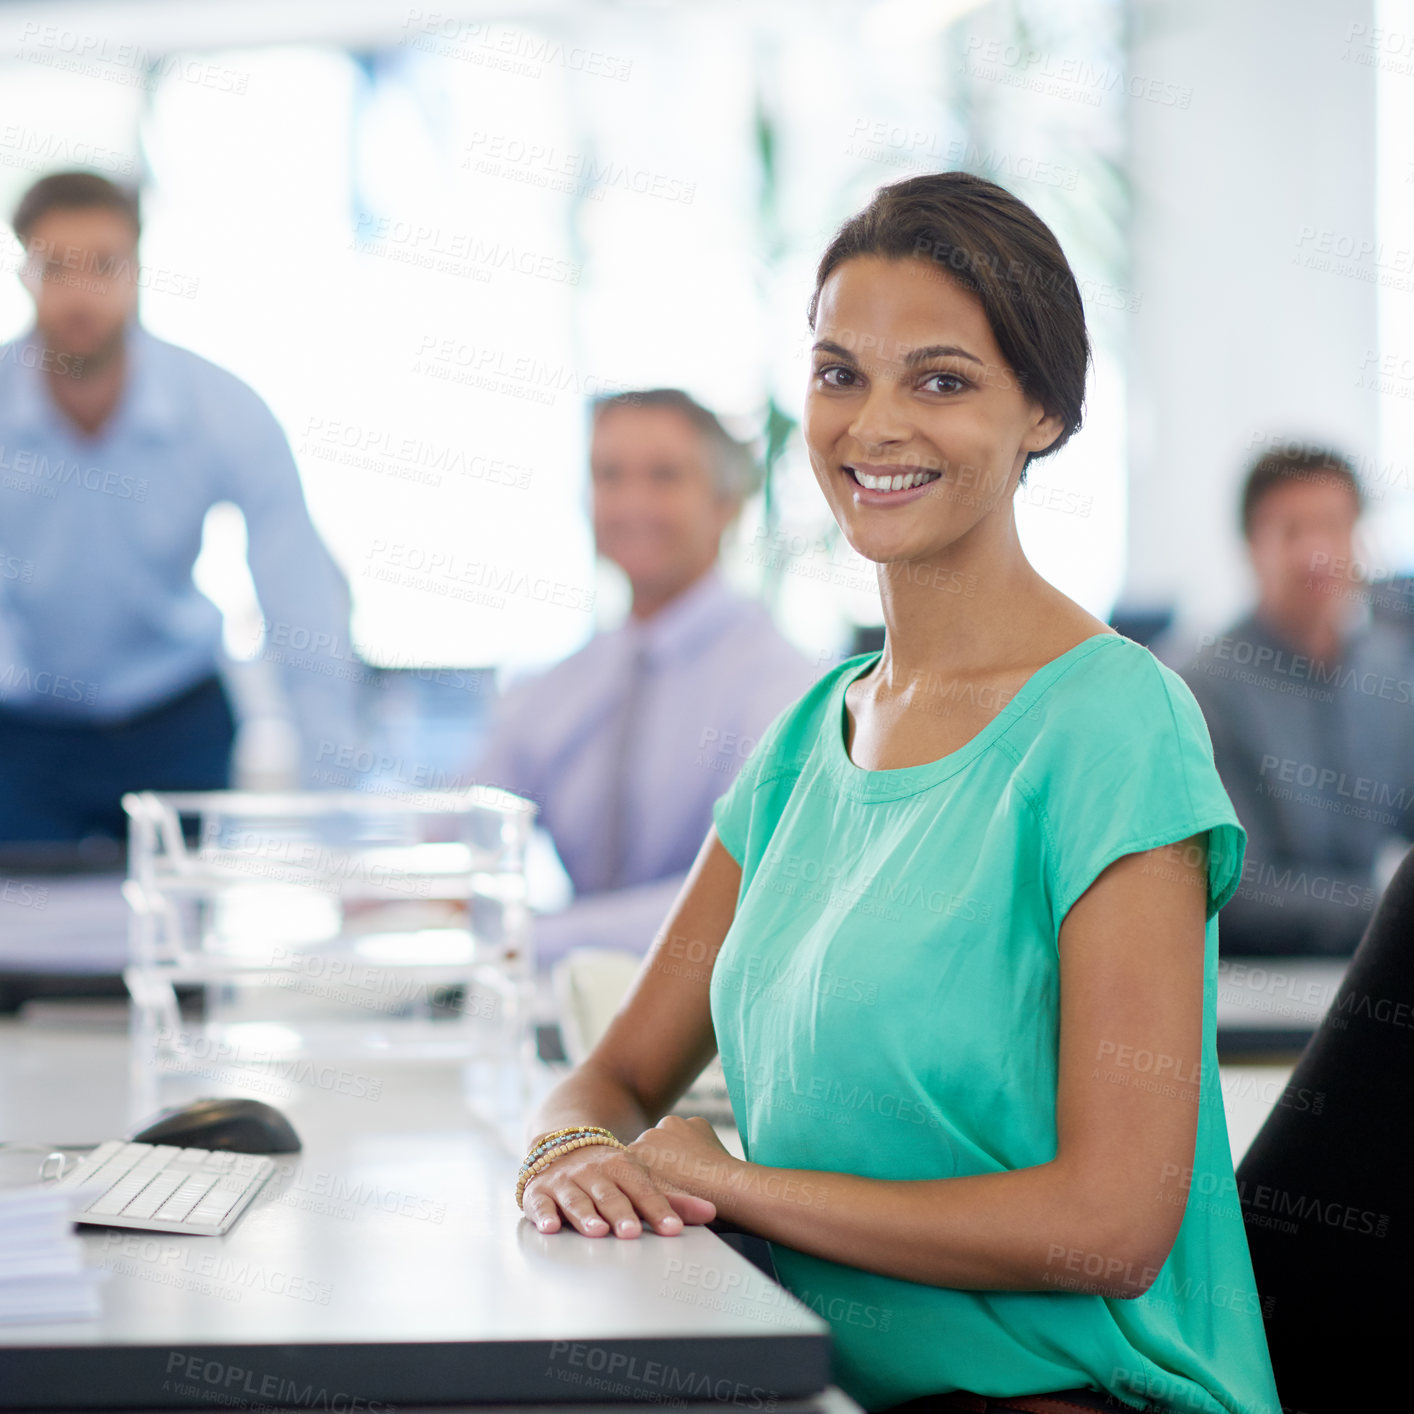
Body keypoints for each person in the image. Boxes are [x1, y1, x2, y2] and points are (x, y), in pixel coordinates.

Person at [511, 174, 1281, 1414]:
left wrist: (734, 1183)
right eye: (837, 374)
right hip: (821, 1384)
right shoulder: (808, 741)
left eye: (940, 380)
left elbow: (1112, 1227)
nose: (873, 425)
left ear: (1040, 410)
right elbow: (605, 1081)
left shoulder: (1114, 726)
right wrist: (570, 1153)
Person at [0, 171, 356, 845]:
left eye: (104, 266)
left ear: (136, 267)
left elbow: (299, 601)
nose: (82, 295)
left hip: (175, 725)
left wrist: (334, 818)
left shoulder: (222, 411)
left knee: (175, 933)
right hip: (24, 734)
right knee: (20, 942)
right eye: (56, 269)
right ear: (26, 274)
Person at [470, 387, 817, 968]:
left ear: (724, 503)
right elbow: (462, 826)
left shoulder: (781, 686)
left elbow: (742, 900)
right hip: (555, 1012)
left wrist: (522, 935)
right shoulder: (562, 684)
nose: (631, 503)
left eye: (663, 476)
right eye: (609, 476)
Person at [1176, 448, 1414, 956]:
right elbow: (1238, 894)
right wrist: (1388, 911)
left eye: (1332, 526)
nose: (1315, 554)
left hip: (1375, 968)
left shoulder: (1390, 671)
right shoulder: (1203, 689)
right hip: (1263, 985)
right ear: (1250, 547)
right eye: (1290, 531)